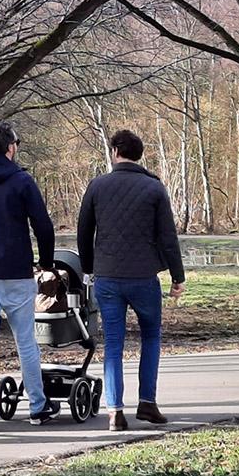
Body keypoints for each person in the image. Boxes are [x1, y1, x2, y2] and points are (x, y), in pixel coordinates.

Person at [78, 129, 186, 432]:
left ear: (115, 152)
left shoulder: (97, 186)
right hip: (143, 277)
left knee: (114, 343)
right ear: (139, 155)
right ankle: (147, 404)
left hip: (108, 277)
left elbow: (84, 232)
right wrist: (177, 277)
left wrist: (89, 268)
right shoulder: (154, 188)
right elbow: (168, 237)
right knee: (150, 337)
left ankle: (115, 412)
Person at [0, 121, 59, 432]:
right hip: (17, 272)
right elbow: (43, 225)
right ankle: (38, 408)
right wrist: (45, 262)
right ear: (10, 148)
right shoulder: (22, 181)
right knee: (26, 342)